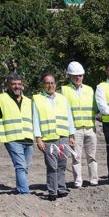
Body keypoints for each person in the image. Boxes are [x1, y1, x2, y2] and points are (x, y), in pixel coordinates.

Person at [32, 72, 76, 201]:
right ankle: (52, 191)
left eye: (52, 83)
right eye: (47, 83)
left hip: (63, 136)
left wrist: (71, 135)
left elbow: (69, 117)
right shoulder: (37, 99)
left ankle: (61, 188)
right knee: (52, 166)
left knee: (62, 164)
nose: (50, 85)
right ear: (43, 84)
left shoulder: (62, 99)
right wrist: (38, 138)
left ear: (55, 84)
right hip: (48, 138)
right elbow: (35, 120)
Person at [0, 73, 35, 194]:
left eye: (19, 84)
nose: (17, 86)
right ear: (8, 85)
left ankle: (20, 189)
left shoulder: (29, 101)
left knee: (25, 167)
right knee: (20, 166)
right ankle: (24, 193)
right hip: (12, 139)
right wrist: (4, 131)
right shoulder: (1, 99)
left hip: (28, 138)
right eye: (14, 84)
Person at [62, 61, 98, 187]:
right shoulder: (64, 90)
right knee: (76, 157)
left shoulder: (89, 89)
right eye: (75, 76)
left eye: (80, 75)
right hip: (75, 130)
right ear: (70, 76)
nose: (78, 78)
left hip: (90, 128)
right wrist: (69, 132)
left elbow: (95, 108)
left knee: (92, 156)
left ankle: (94, 180)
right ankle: (78, 182)